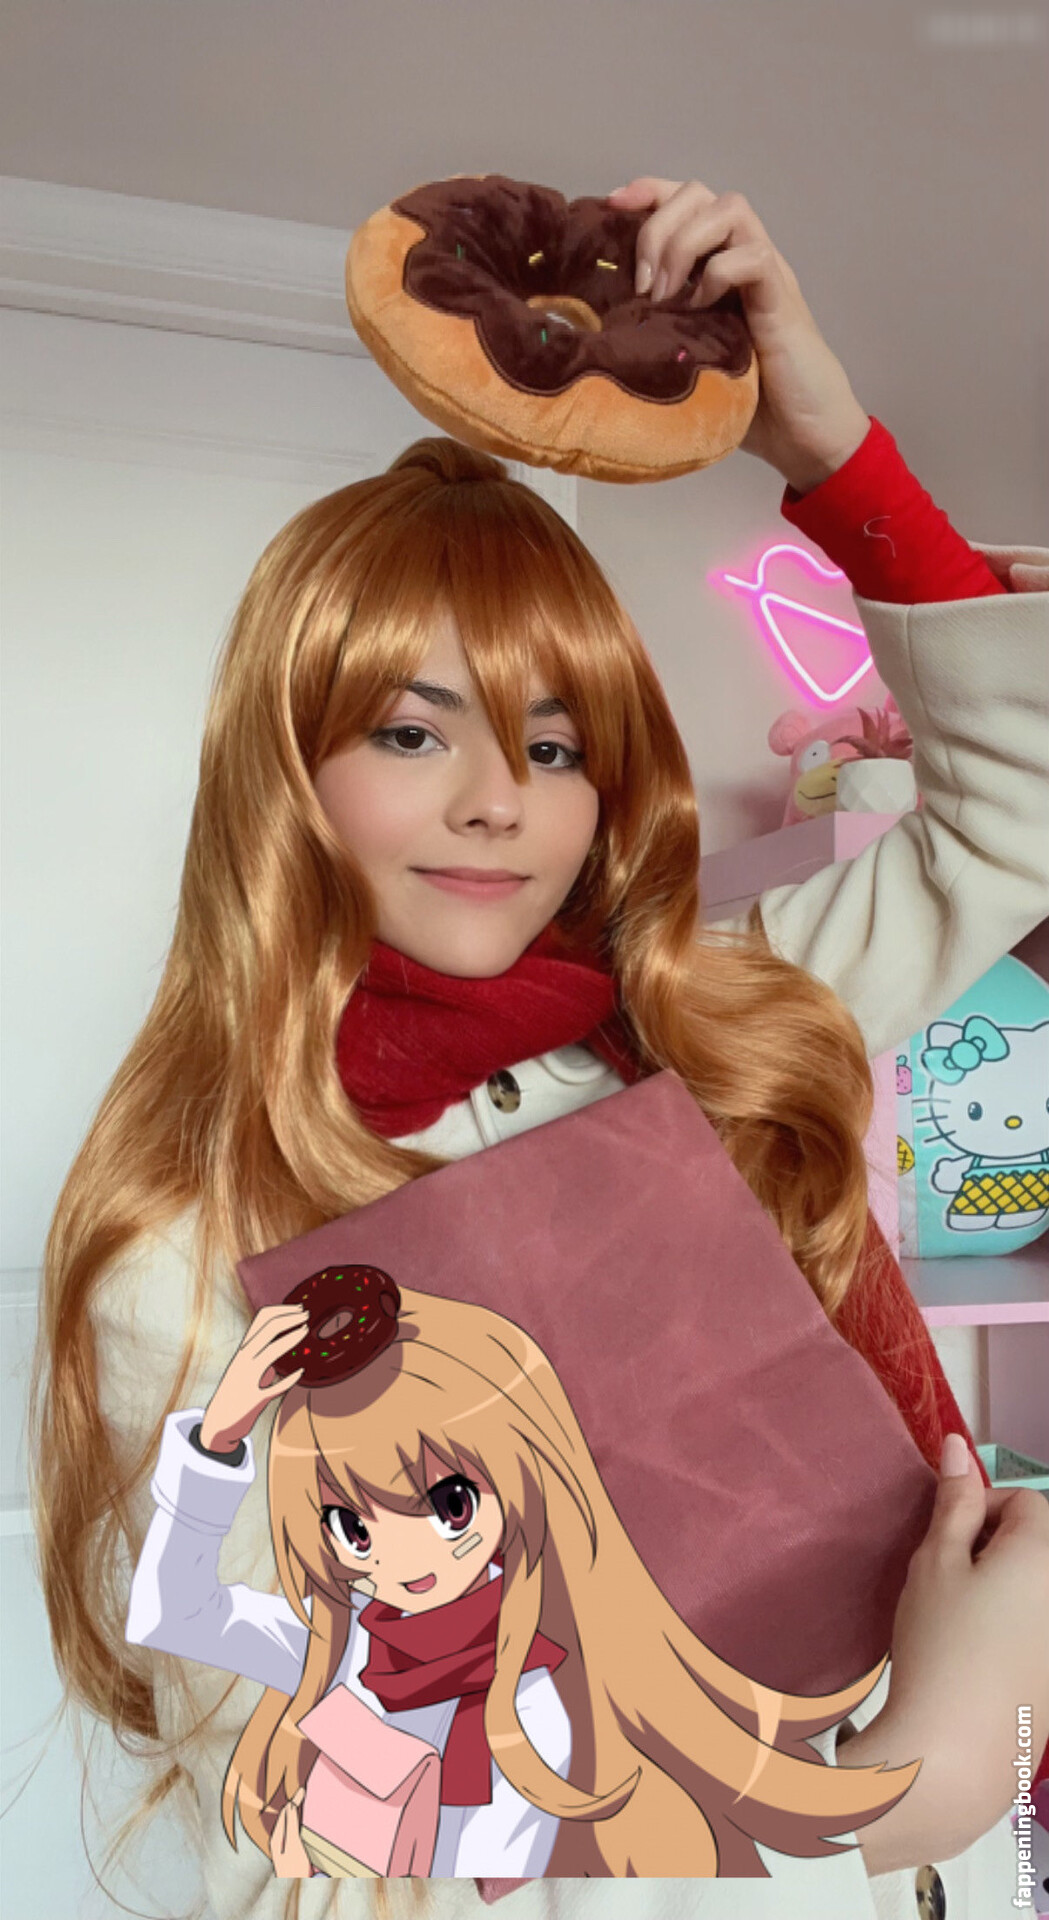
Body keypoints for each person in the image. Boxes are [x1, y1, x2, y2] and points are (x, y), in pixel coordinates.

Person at [31, 174, 1049, 1920]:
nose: (500, 802)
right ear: (287, 774)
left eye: (557, 745)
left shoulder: (715, 1024)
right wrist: (913, 1786)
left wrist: (827, 446)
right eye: (412, 730)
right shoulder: (187, 1254)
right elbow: (334, 1855)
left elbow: (1009, 821)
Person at [126, 1294, 918, 1881]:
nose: (405, 1556)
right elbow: (177, 1612)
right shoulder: (342, 1643)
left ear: (525, 1476)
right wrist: (217, 1444)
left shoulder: (565, 1676)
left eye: (449, 1504)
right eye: (353, 1528)